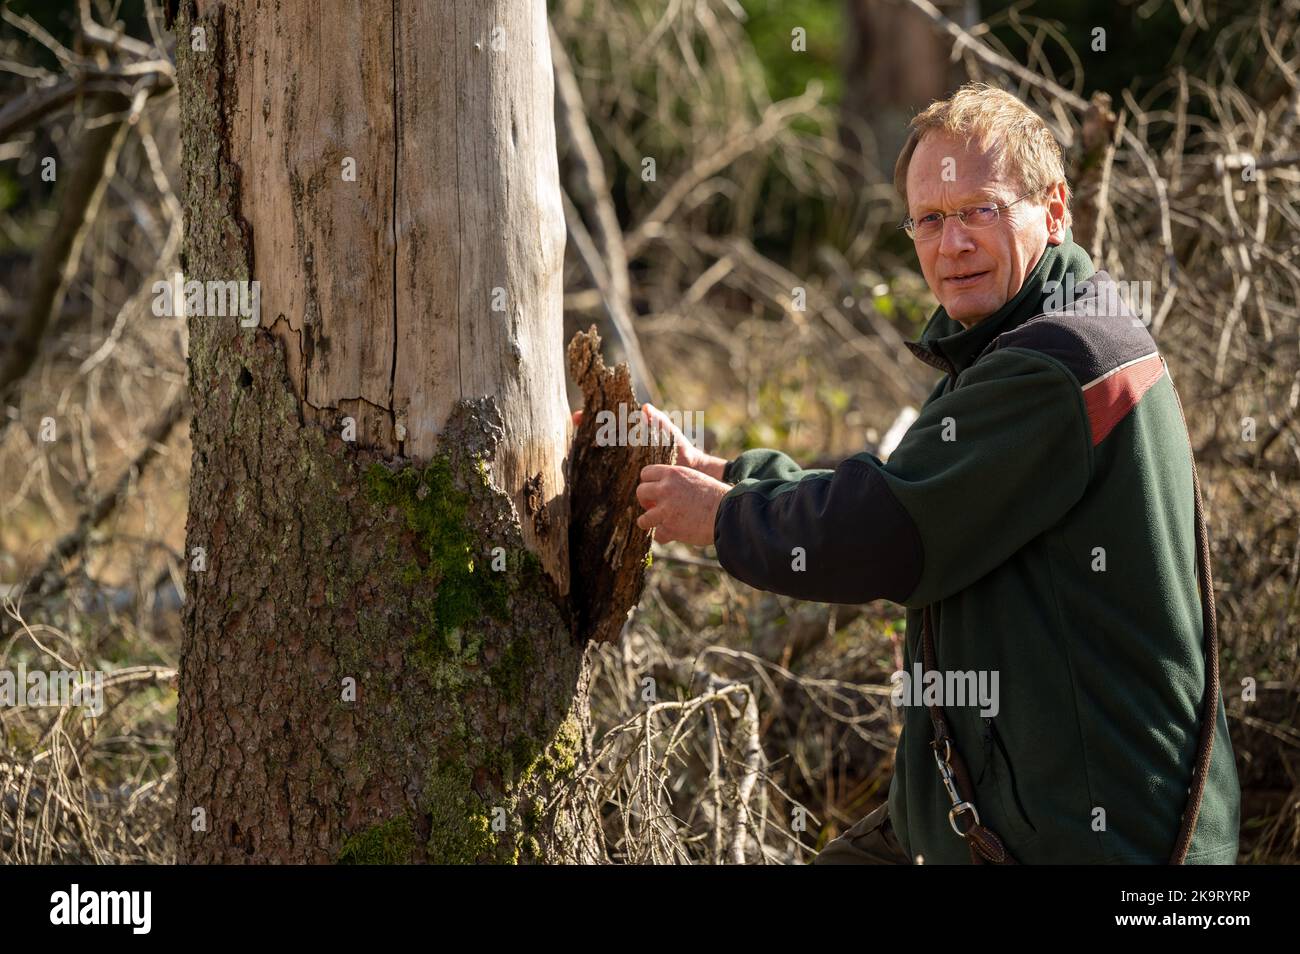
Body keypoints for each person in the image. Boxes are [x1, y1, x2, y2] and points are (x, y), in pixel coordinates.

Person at [631, 82, 1241, 864]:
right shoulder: (1029, 340)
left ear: (1055, 211)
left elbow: (889, 532)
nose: (950, 244)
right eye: (929, 219)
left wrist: (720, 518)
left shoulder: (1056, 369)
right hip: (990, 821)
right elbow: (912, 487)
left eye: (980, 210)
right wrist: (728, 472)